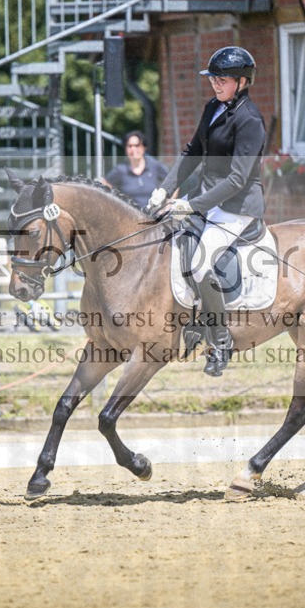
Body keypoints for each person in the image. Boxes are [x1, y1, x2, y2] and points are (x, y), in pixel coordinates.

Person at [145, 46, 266, 377]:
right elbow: (193, 150)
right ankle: (193, 320)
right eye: (214, 78)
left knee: (200, 267)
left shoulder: (250, 120)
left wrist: (192, 204)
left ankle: (221, 340)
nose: (216, 84)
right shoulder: (213, 107)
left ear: (242, 82)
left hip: (236, 207)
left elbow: (239, 179)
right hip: (206, 199)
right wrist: (165, 187)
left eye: (223, 79)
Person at [103, 131, 170, 209]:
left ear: (144, 148)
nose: (133, 149)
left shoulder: (154, 165)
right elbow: (105, 183)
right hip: (129, 215)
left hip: (154, 215)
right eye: (130, 146)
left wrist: (168, 204)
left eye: (137, 145)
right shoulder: (121, 169)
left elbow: (172, 182)